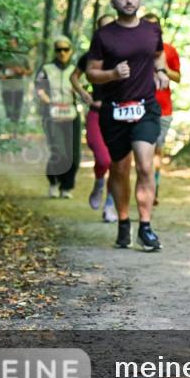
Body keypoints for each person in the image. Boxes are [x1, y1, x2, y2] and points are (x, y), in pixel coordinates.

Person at [85, 0, 170, 251]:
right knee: (119, 170)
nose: (128, 1)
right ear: (113, 2)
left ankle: (145, 227)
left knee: (145, 165)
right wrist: (111, 74)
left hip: (145, 107)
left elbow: (159, 56)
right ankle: (123, 222)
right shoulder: (104, 36)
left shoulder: (151, 30)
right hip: (115, 109)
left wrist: (161, 72)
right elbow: (91, 72)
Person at [70, 14, 117, 222]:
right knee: (103, 159)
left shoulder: (124, 54)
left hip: (119, 115)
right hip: (97, 114)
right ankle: (99, 182)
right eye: (104, 29)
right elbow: (74, 77)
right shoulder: (90, 56)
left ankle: (110, 206)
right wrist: (83, 94)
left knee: (117, 163)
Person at [141, 13, 182, 206]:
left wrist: (163, 67)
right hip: (140, 107)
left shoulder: (169, 50)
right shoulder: (136, 49)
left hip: (163, 109)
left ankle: (153, 188)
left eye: (154, 26)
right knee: (143, 152)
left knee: (157, 151)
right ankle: (145, 184)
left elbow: (178, 77)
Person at [35, 36, 81, 198]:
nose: (62, 53)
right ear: (55, 51)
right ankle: (54, 181)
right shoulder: (47, 69)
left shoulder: (75, 69)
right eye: (58, 49)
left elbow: (84, 88)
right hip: (52, 114)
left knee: (74, 155)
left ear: (71, 51)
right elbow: (39, 88)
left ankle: (67, 187)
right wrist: (49, 102)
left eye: (65, 49)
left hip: (71, 113)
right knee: (59, 152)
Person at [0, 36, 32, 134]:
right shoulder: (3, 56)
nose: (10, 45)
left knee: (17, 110)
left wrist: (22, 71)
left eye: (12, 43)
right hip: (6, 87)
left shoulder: (22, 56)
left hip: (19, 87)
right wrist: (2, 76)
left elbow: (30, 71)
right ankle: (9, 132)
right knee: (8, 110)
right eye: (8, 43)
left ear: (16, 43)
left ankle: (15, 132)